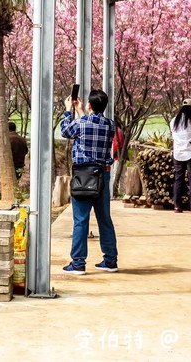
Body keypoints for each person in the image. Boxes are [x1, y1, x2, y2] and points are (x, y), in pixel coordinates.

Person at [59, 88, 118, 274]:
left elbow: (65, 131)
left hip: (83, 176)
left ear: (90, 105)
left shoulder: (80, 123)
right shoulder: (110, 125)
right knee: (104, 219)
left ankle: (78, 263)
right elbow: (91, 125)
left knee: (81, 220)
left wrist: (69, 110)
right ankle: (110, 261)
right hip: (101, 175)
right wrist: (82, 110)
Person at [170, 98, 191, 214]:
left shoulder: (174, 120)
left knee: (178, 179)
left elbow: (174, 136)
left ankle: (177, 206)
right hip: (190, 154)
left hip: (178, 153)